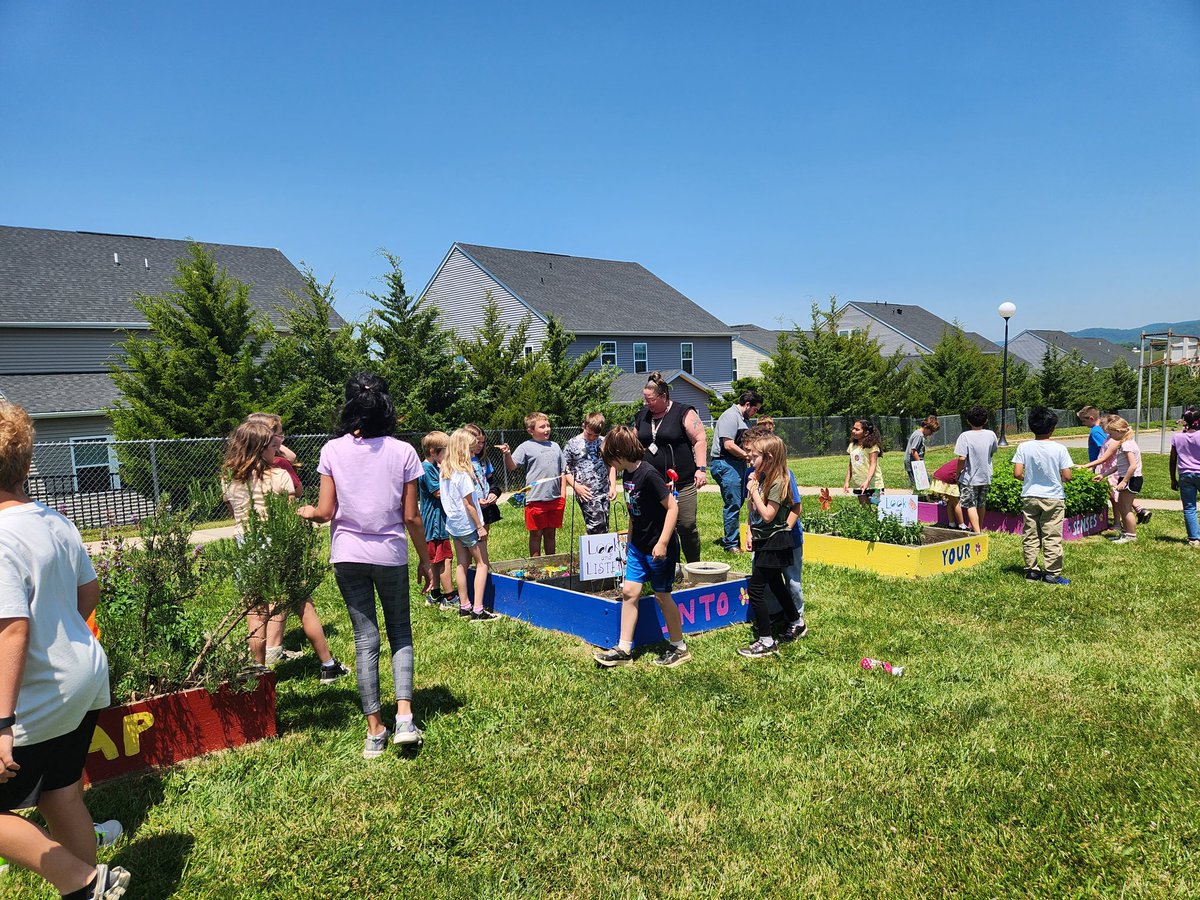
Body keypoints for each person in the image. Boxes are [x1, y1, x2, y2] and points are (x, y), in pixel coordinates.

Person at [0, 401, 133, 899]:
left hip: (31, 697)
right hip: (82, 680)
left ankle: (80, 880)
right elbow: (88, 592)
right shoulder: (53, 520)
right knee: (61, 793)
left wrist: (2, 724)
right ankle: (90, 892)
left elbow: (9, 631)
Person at [298, 374, 433, 759]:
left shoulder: (332, 451)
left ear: (350, 405)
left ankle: (375, 731)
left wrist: (307, 511)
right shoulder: (403, 451)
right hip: (390, 554)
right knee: (400, 633)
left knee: (364, 640)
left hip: (347, 555)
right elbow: (411, 517)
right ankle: (405, 717)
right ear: (386, 405)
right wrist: (425, 560)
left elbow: (325, 512)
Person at [221, 421, 349, 682]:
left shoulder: (229, 480)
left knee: (255, 610)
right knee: (303, 604)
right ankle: (328, 664)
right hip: (277, 543)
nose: (275, 450)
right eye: (271, 446)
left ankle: (257, 672)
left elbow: (235, 514)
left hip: (246, 545)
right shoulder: (279, 476)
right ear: (260, 449)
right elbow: (288, 517)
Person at [592, 426, 691, 669]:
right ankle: (624, 648)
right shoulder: (627, 474)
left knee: (662, 596)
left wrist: (663, 542)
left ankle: (679, 647)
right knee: (629, 592)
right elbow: (633, 512)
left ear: (620, 453)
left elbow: (673, 508)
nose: (609, 465)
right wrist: (630, 541)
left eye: (610, 460)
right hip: (638, 546)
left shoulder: (648, 474)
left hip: (659, 548)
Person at [739, 433, 807, 658]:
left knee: (756, 589)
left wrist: (754, 492)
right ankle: (797, 622)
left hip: (774, 541)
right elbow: (754, 514)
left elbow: (768, 514)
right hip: (764, 539)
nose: (750, 458)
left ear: (768, 457)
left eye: (755, 455)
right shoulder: (761, 476)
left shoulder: (778, 481)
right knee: (776, 584)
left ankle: (767, 641)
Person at [631, 372, 708, 563]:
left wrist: (701, 468)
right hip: (652, 484)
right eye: (645, 399)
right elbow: (632, 443)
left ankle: (694, 565)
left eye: (651, 400)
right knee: (661, 526)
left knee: (686, 524)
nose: (647, 403)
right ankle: (669, 567)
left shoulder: (684, 412)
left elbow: (699, 439)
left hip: (681, 482)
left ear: (664, 396)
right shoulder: (642, 416)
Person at [440, 429, 498, 622]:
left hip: (454, 525)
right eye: (472, 451)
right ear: (463, 450)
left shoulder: (445, 471)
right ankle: (478, 610)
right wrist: (479, 526)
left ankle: (464, 606)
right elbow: (469, 504)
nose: (474, 454)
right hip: (469, 525)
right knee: (482, 564)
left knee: (461, 564)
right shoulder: (463, 475)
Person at [1012, 407, 1075, 585]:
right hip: (1054, 497)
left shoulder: (1023, 446)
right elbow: (1068, 476)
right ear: (1053, 428)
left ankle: (1031, 571)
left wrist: (1029, 479)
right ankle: (1051, 573)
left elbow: (1017, 473)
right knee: (1052, 535)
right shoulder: (1059, 449)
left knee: (1030, 534)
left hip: (1030, 495)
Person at [497, 413, 569, 558]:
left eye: (548, 426)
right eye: (542, 427)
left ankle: (551, 564)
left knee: (550, 534)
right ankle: (535, 566)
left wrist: (562, 496)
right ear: (531, 431)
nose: (547, 429)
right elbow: (512, 467)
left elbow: (563, 472)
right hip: (535, 499)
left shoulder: (555, 446)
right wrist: (507, 454)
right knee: (536, 534)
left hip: (554, 499)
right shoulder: (525, 447)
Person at [709, 390, 763, 552]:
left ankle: (735, 538)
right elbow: (728, 445)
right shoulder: (730, 416)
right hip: (725, 463)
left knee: (738, 502)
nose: (756, 412)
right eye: (755, 409)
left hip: (737, 464)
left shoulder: (744, 420)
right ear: (747, 405)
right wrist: (747, 456)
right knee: (733, 503)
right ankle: (731, 545)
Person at [1078, 406, 1150, 524]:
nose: (1108, 435)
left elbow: (1106, 455)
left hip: (1110, 467)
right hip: (1112, 468)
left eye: (1084, 421)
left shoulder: (1100, 433)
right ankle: (1133, 515)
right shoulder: (1113, 437)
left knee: (1118, 500)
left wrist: (1086, 466)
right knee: (1118, 498)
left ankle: (1123, 525)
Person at [418, 431, 458, 609]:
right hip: (435, 521)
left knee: (436, 559)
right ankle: (449, 598)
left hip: (438, 520)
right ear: (433, 452)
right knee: (445, 559)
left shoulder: (431, 467)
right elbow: (439, 493)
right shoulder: (427, 469)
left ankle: (435, 594)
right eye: (446, 450)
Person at [563, 413, 617, 535]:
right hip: (586, 492)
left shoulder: (604, 442)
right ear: (584, 425)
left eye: (595, 435)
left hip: (604, 490)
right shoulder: (573, 443)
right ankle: (592, 551)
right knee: (596, 525)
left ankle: (600, 552)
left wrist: (613, 485)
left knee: (604, 524)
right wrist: (576, 487)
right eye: (589, 434)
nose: (592, 437)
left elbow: (611, 465)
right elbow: (564, 469)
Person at [1098, 416, 1143, 544]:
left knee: (1126, 508)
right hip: (1127, 477)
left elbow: (1132, 465)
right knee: (1123, 507)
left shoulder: (1127, 445)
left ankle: (1131, 535)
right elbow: (1119, 466)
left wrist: (1124, 481)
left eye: (1111, 434)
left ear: (1119, 431)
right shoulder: (1125, 443)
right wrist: (1103, 475)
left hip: (1131, 479)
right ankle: (1125, 533)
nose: (1111, 437)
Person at [954, 406, 998, 533]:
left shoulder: (965, 436)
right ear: (985, 421)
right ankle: (980, 527)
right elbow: (993, 451)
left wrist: (958, 473)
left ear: (968, 420)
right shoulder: (991, 435)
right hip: (985, 475)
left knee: (970, 504)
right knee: (981, 503)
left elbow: (962, 458)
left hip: (969, 477)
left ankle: (977, 532)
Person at [245, 412, 302, 495]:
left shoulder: (238, 467)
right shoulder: (279, 463)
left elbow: (292, 456)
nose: (282, 438)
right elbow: (298, 492)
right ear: (268, 435)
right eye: (279, 434)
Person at [1169, 407, 1200, 547]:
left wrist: (1173, 478)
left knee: (1189, 507)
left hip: (1185, 474)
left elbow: (1172, 459)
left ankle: (1194, 538)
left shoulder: (1177, 437)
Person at [463, 424, 502, 527]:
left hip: (485, 507)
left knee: (483, 539)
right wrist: (475, 501)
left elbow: (491, 481)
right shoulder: (460, 462)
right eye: (477, 442)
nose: (480, 445)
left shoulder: (484, 459)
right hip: (469, 509)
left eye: (483, 442)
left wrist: (493, 493)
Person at [843, 418, 884, 506]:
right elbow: (851, 465)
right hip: (859, 484)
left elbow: (873, 464)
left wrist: (867, 481)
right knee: (865, 510)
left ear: (866, 433)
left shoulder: (872, 446)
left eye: (857, 429)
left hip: (875, 484)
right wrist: (847, 481)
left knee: (877, 508)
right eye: (853, 428)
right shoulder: (852, 446)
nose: (853, 431)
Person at [904, 415, 941, 491]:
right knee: (920, 483)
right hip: (913, 463)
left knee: (923, 482)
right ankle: (917, 498)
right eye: (931, 431)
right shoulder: (919, 435)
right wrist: (919, 465)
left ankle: (919, 496)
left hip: (914, 462)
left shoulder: (918, 433)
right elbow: (913, 451)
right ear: (926, 427)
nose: (931, 434)